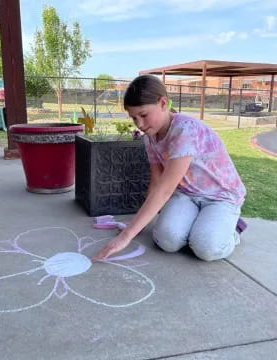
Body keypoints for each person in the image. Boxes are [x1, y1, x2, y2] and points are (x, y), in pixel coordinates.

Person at [92, 75, 246, 262]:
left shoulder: (184, 130)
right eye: (134, 118)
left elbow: (165, 190)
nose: (139, 124)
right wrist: (136, 226)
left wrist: (126, 236)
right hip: (187, 194)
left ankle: (232, 232)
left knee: (206, 248)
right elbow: (157, 182)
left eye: (143, 115)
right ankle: (201, 223)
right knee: (167, 241)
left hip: (220, 196)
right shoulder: (150, 135)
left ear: (163, 103)